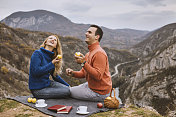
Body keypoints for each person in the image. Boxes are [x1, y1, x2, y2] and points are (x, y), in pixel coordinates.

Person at [66, 25, 112, 101]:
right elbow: (84, 73)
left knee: (68, 92)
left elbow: (98, 76)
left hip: (99, 93)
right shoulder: (89, 54)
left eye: (89, 32)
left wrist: (83, 63)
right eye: (87, 31)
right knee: (69, 89)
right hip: (90, 86)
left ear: (97, 37)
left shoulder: (99, 53)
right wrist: (73, 73)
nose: (86, 33)